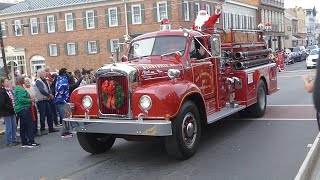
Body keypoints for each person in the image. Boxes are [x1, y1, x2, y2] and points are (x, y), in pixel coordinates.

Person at [14, 75, 40, 148]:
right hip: (24, 108)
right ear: (20, 81)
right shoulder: (20, 88)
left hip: (21, 109)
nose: (24, 80)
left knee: (23, 126)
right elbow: (21, 99)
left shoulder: (18, 88)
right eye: (23, 79)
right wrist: (30, 100)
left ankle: (24, 142)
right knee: (30, 124)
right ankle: (31, 141)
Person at [34, 69, 57, 135]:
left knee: (49, 114)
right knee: (43, 115)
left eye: (44, 72)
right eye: (43, 73)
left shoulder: (44, 80)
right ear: (40, 74)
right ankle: (42, 129)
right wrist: (49, 95)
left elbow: (47, 88)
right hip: (41, 101)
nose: (44, 74)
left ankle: (51, 128)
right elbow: (41, 90)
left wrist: (49, 94)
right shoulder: (38, 81)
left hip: (46, 100)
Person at [0, 78, 20, 146]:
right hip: (7, 112)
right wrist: (11, 108)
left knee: (14, 126)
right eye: (7, 81)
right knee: (9, 127)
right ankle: (8, 142)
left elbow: (13, 99)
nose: (8, 82)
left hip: (12, 111)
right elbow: (3, 103)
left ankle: (14, 139)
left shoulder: (9, 90)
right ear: (3, 83)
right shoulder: (2, 91)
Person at [55, 68, 73, 138]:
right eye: (66, 73)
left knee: (65, 116)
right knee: (65, 117)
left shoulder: (58, 79)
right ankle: (64, 132)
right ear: (64, 73)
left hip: (59, 101)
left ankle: (67, 131)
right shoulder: (64, 80)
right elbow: (63, 89)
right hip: (63, 100)